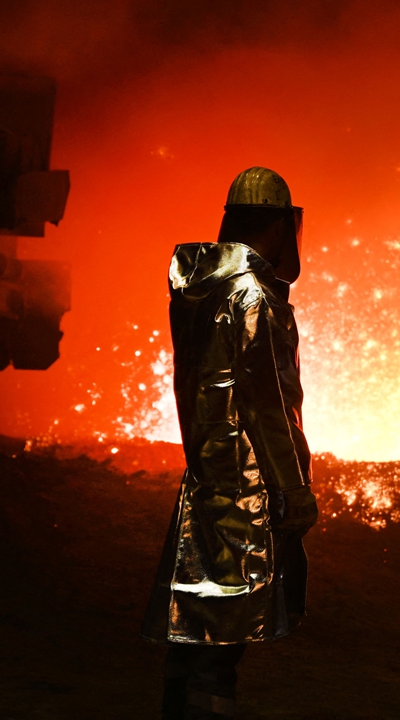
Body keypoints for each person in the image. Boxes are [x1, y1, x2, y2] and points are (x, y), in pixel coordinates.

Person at [141, 167, 319, 719]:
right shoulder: (253, 296)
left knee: (193, 627)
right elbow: (268, 405)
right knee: (222, 642)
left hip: (206, 478)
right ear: (281, 224)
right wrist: (294, 488)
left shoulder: (203, 288)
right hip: (246, 490)